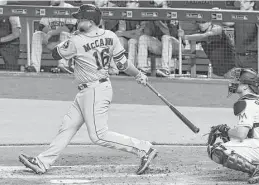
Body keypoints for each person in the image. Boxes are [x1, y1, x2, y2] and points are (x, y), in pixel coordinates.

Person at [18, 4, 157, 176]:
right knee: (68, 126)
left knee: (99, 135)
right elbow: (122, 64)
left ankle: (144, 148)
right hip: (94, 90)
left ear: (90, 22)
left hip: (94, 91)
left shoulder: (77, 41)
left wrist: (69, 38)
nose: (77, 21)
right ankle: (42, 162)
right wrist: (138, 74)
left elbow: (55, 54)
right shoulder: (111, 36)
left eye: (81, 19)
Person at [207, 68, 259, 184]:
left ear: (245, 86)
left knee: (217, 150)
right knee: (229, 139)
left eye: (238, 81)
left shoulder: (247, 104)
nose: (233, 83)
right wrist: (229, 134)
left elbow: (241, 135)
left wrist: (226, 130)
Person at [25, 0, 77, 73]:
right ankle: (35, 67)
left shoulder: (70, 8)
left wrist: (51, 33)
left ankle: (63, 66)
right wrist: (49, 34)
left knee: (64, 34)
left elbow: (69, 28)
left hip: (67, 43)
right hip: (52, 41)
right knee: (37, 34)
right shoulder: (49, 9)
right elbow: (41, 26)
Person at [182, 12, 236, 78]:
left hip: (230, 69)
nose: (201, 24)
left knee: (233, 88)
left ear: (210, 22)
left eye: (203, 22)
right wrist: (183, 36)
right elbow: (191, 41)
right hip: (217, 71)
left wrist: (185, 36)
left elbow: (203, 36)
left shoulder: (217, 28)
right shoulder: (199, 32)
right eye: (199, 22)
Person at [137, 0, 171, 77]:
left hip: (175, 45)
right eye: (155, 5)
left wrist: (159, 22)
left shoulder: (170, 12)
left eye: (159, 6)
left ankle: (165, 69)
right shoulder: (153, 13)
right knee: (143, 38)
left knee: (166, 38)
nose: (157, 7)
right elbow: (148, 33)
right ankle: (142, 68)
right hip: (161, 46)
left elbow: (171, 35)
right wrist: (148, 21)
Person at [223, 0, 258, 72]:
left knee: (250, 81)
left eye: (245, 1)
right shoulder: (237, 16)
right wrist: (217, 13)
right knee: (237, 82)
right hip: (237, 57)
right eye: (240, 1)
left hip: (251, 57)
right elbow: (227, 23)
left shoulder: (257, 17)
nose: (241, 3)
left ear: (252, 3)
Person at [116, 0, 143, 68]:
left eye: (130, 2)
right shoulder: (124, 13)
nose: (127, 4)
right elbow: (119, 33)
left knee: (132, 41)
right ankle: (118, 66)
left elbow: (139, 34)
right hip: (126, 42)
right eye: (127, 2)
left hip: (140, 44)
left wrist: (124, 33)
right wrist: (133, 32)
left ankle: (130, 67)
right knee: (119, 39)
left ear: (137, 4)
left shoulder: (142, 14)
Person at [94, 0, 119, 75]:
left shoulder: (114, 8)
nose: (96, 1)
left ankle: (113, 68)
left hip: (112, 35)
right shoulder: (91, 8)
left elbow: (109, 27)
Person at [0, 0, 21, 71]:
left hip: (10, 44)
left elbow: (16, 34)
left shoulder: (11, 11)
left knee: (11, 69)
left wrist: (1, 40)